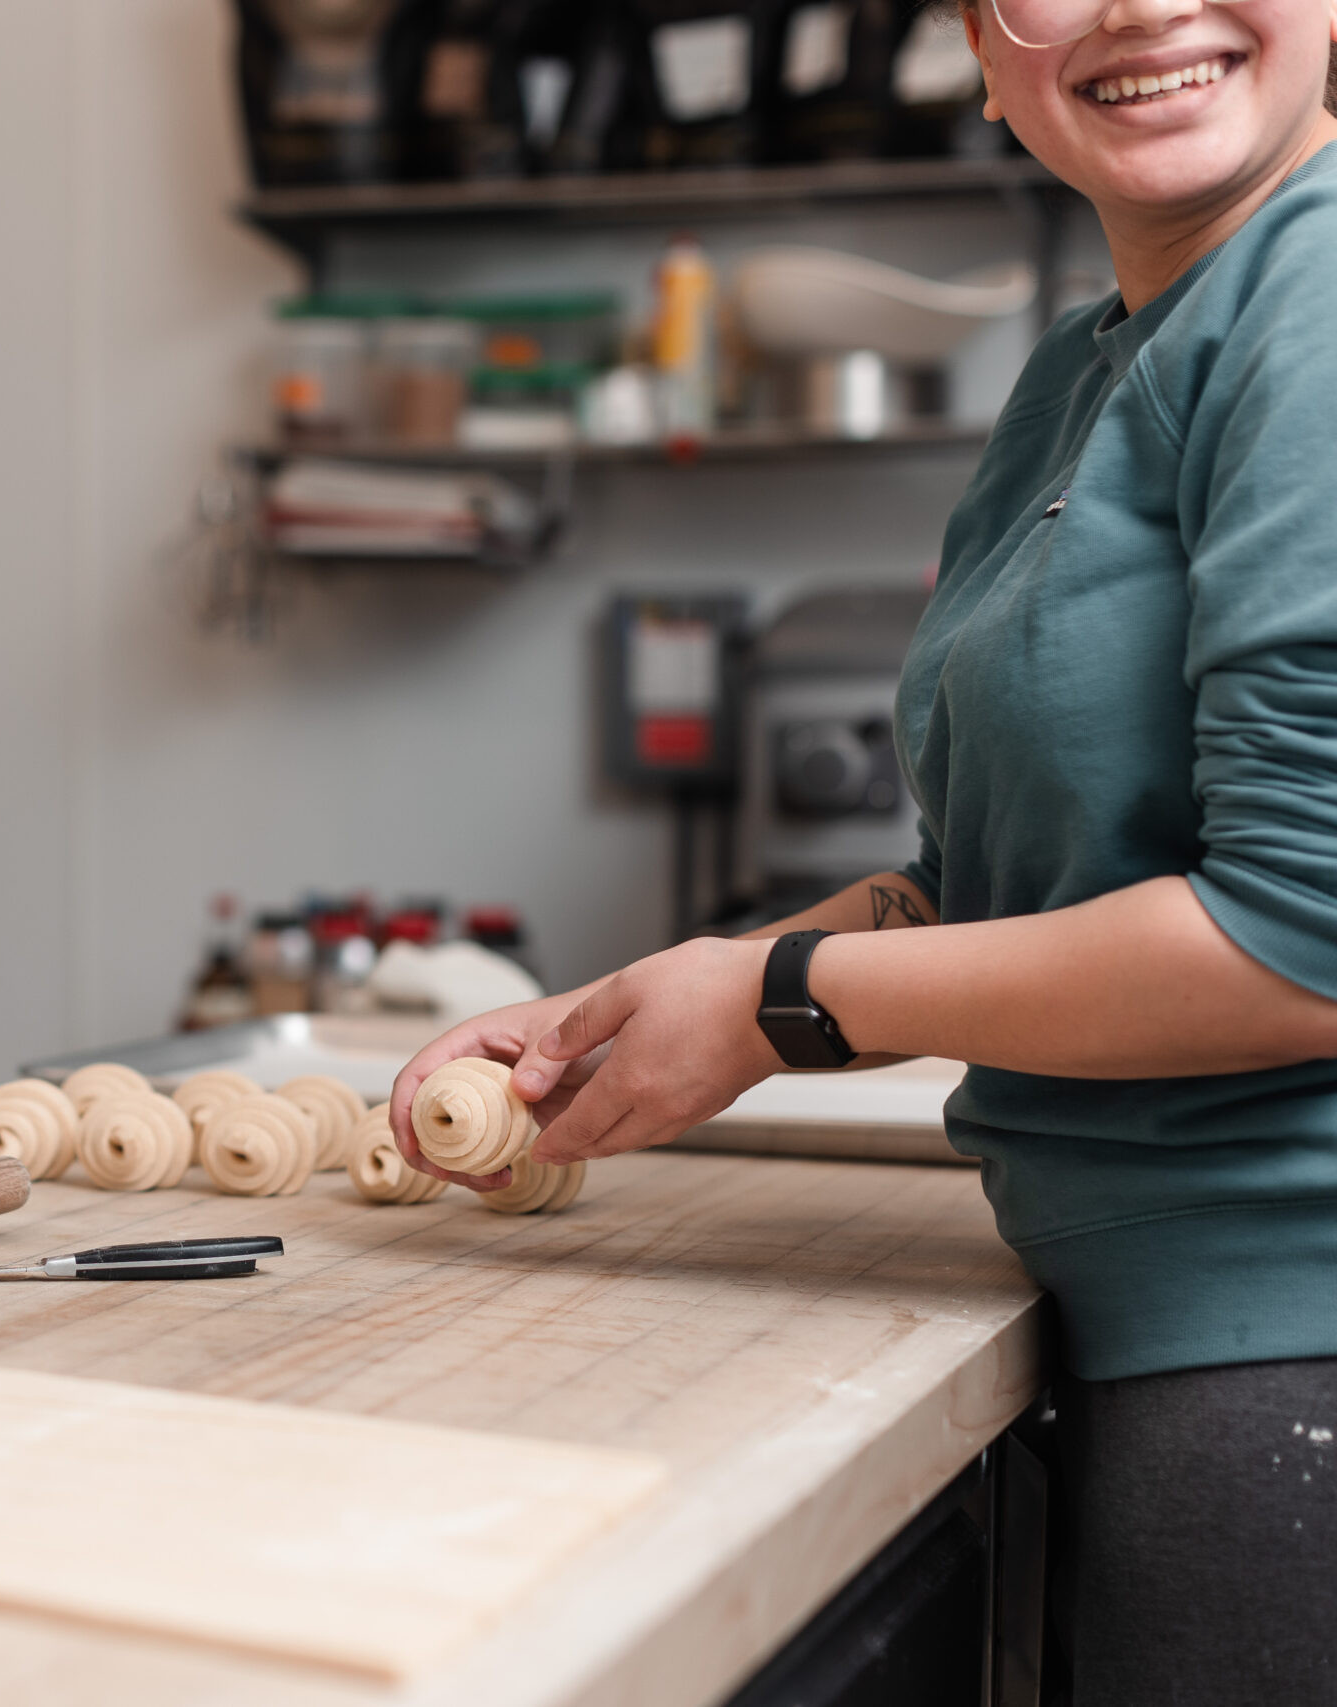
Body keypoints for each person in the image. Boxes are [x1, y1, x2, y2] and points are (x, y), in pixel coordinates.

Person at [389, 0, 1337, 1696]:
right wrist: (637, 1009)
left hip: (1292, 1352)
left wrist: (779, 1004)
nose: (1134, 12)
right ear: (983, 51)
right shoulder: (1086, 367)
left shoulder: (1323, 307)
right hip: (1134, 1328)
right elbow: (988, 884)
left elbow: (1302, 938)